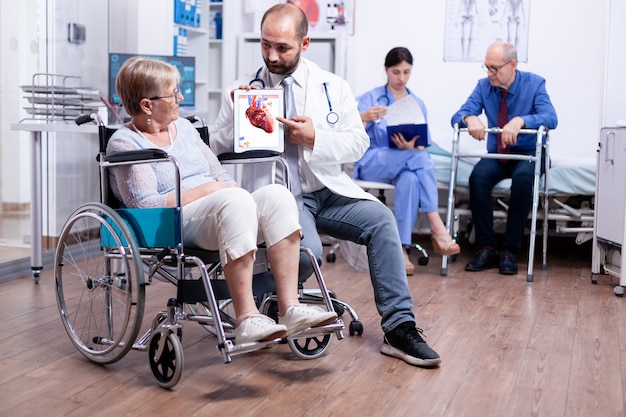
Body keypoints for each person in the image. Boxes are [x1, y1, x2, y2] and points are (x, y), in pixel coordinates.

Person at [211, 3, 441, 367]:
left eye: (282, 47)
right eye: (265, 45)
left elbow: (357, 143)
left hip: (329, 191)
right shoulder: (241, 90)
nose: (271, 56)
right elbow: (216, 150)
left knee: (381, 220)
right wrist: (236, 116)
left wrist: (315, 137)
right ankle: (273, 308)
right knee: (308, 254)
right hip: (281, 197)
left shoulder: (332, 86)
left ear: (305, 43)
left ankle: (399, 329)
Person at [106, 56, 337, 346]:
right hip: (173, 221)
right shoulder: (125, 143)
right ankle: (246, 318)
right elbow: (146, 204)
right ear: (147, 105)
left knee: (277, 195)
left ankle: (289, 307)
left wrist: (228, 193)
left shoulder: (186, 129)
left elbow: (219, 174)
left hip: (219, 209)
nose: (180, 97)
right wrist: (211, 191)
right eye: (172, 93)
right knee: (233, 201)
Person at [450, 41, 557, 275]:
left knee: (522, 181)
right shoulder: (483, 86)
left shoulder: (535, 83)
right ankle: (486, 248)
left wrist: (521, 120)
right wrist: (470, 118)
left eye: (495, 68)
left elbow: (551, 118)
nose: (490, 73)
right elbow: (457, 115)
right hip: (499, 154)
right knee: (477, 178)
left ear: (513, 65)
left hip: (527, 154)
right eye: (487, 67)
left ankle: (509, 251)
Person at [355, 47, 460, 276]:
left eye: (406, 72)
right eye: (396, 72)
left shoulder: (416, 103)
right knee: (419, 158)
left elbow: (421, 145)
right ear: (386, 71)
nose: (401, 78)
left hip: (405, 162)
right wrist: (364, 117)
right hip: (373, 161)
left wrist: (409, 147)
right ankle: (437, 226)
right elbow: (351, 137)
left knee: (411, 179)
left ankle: (400, 250)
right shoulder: (370, 99)